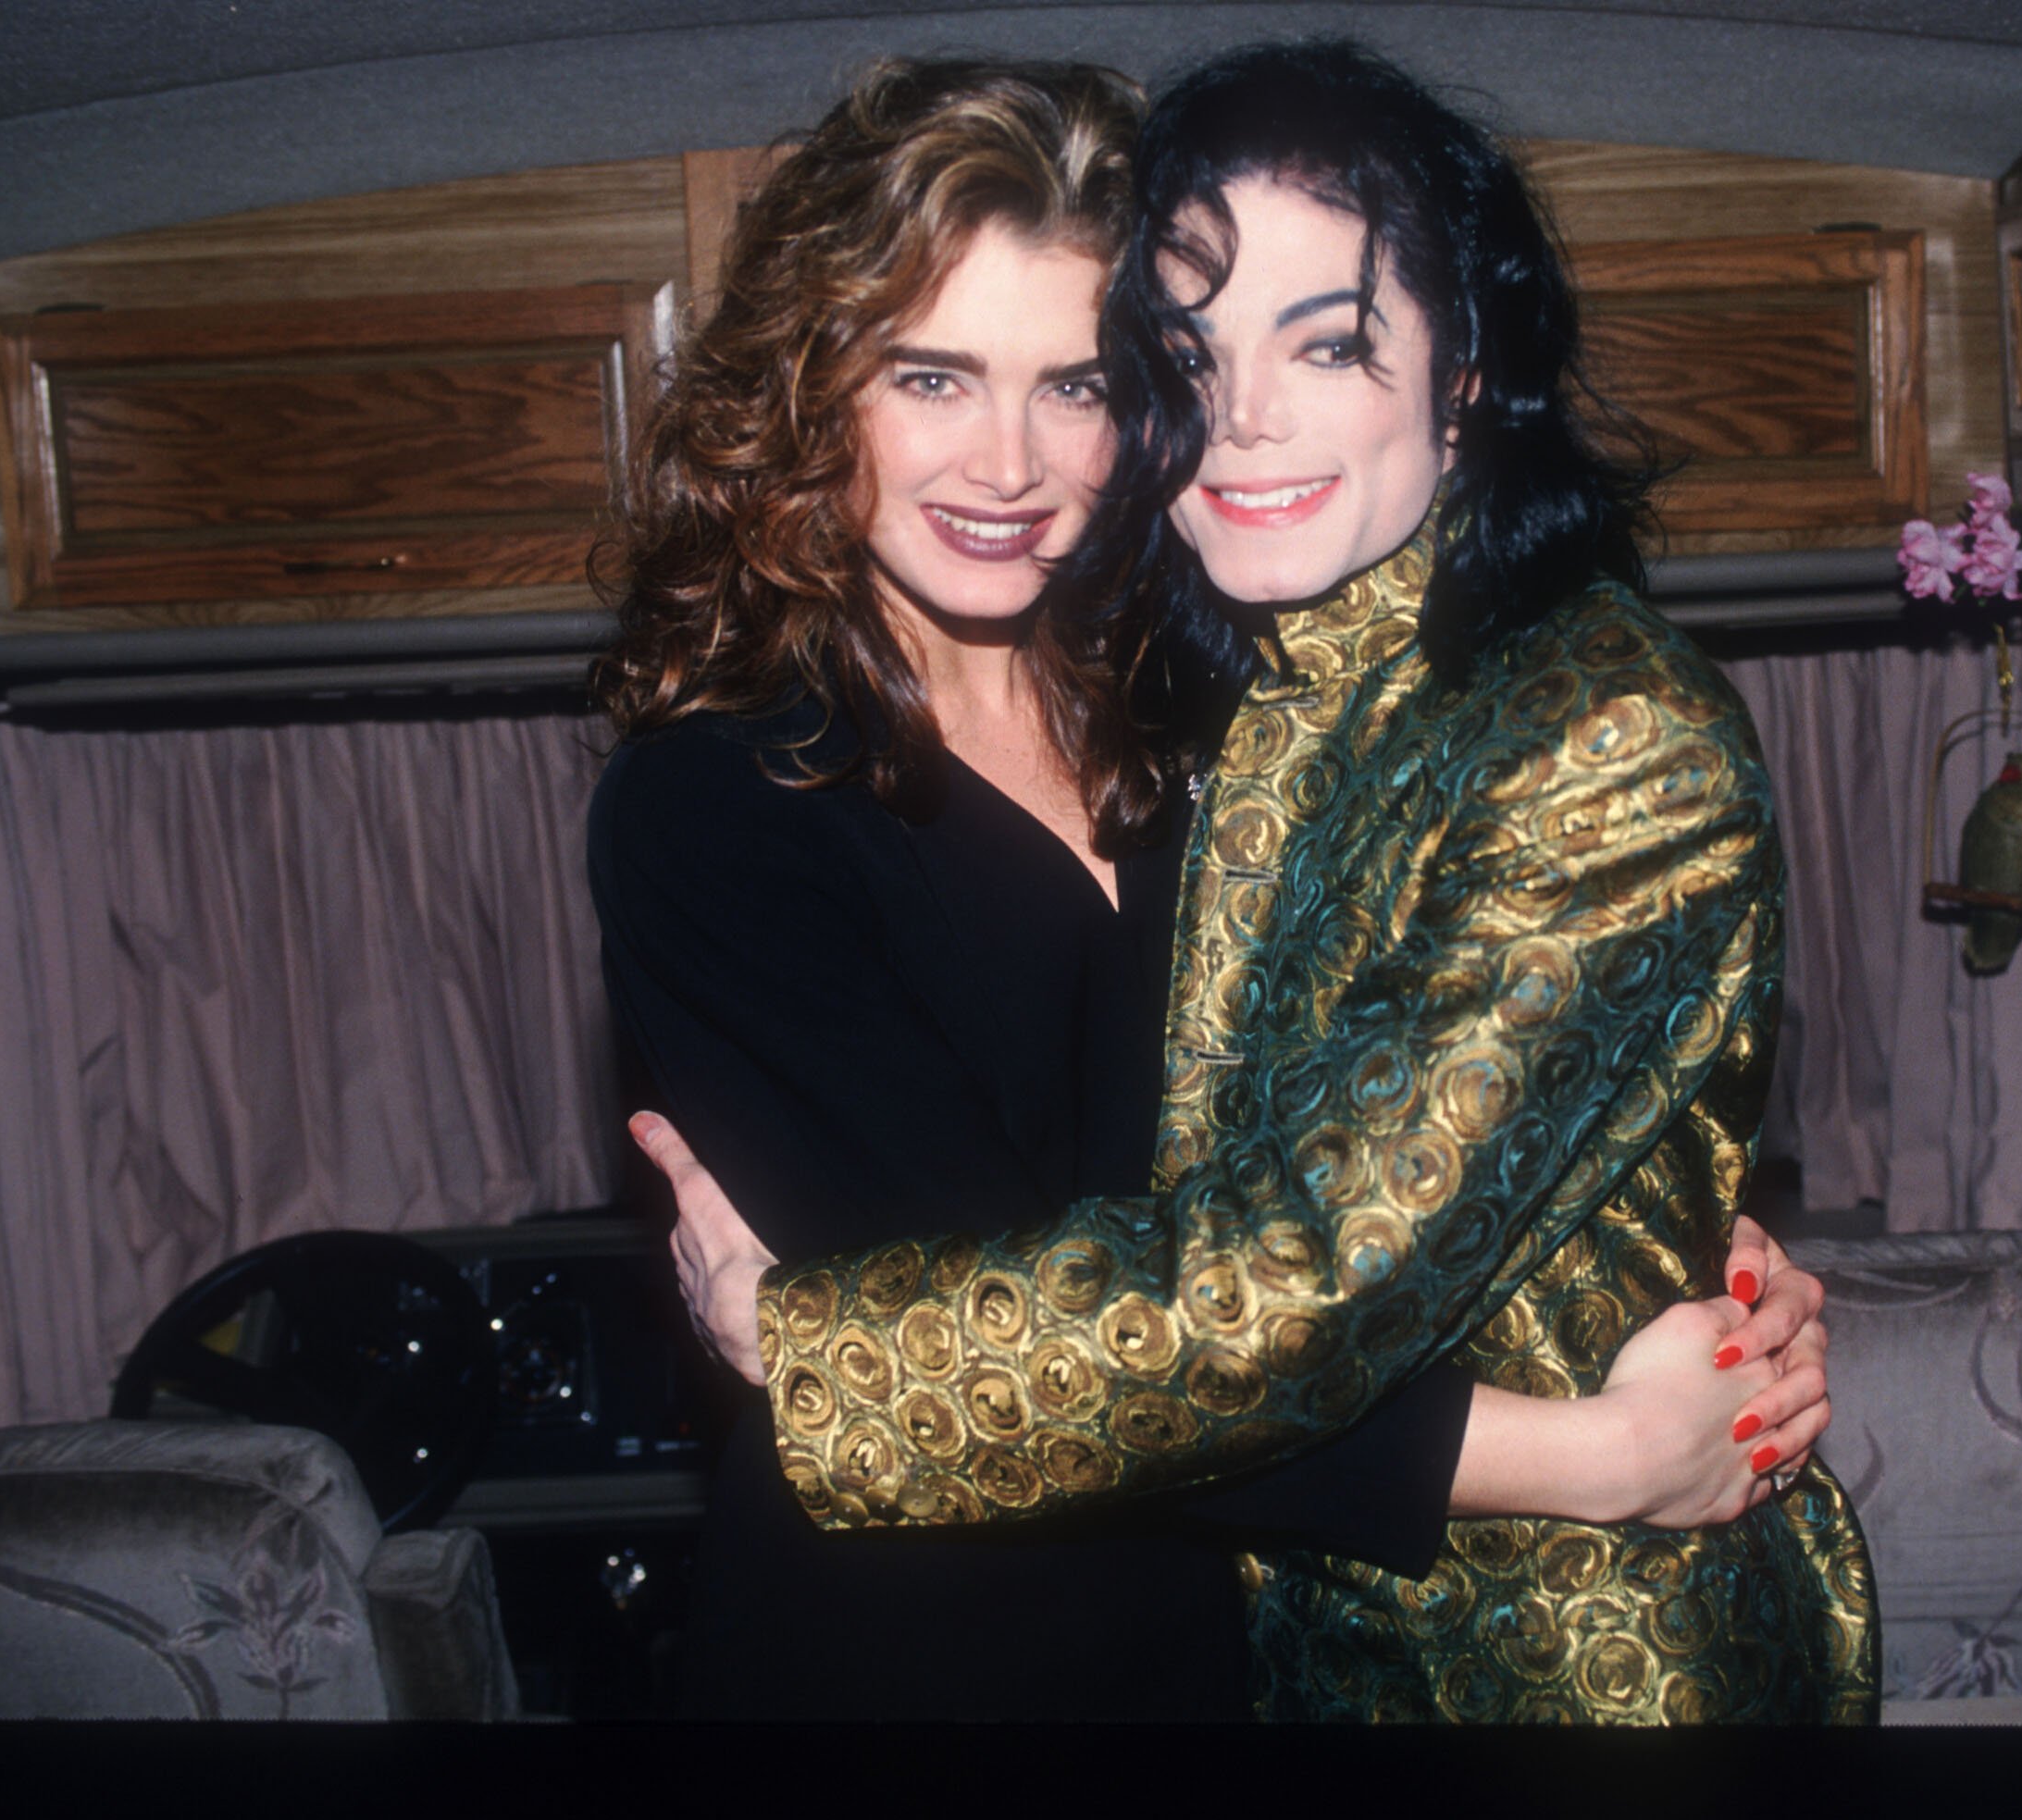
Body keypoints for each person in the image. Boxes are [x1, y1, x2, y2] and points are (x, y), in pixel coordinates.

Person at [589, 55, 1831, 1722]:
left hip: (1251, 1662)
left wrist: (1654, 1236)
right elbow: (1112, 1362)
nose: (1010, 463)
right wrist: (1589, 1455)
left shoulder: (1207, 710)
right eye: (934, 377)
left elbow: (1349, 1201)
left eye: (1084, 385)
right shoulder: (720, 803)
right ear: (816, 393)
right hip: (918, 1673)